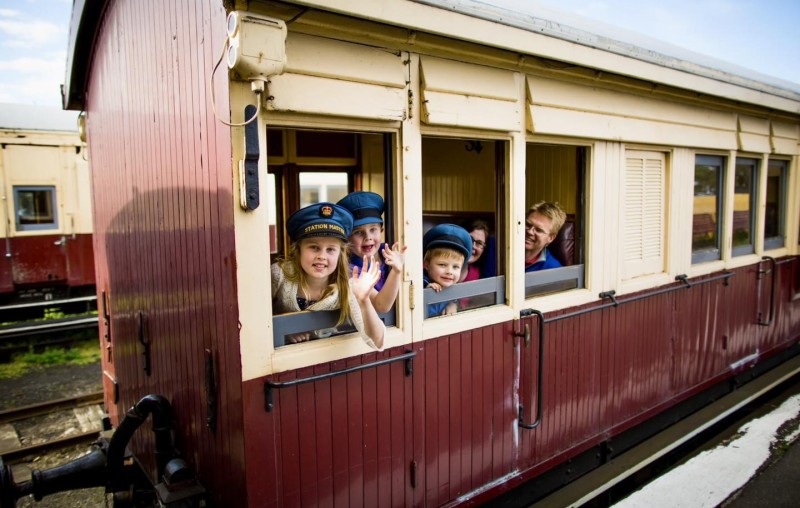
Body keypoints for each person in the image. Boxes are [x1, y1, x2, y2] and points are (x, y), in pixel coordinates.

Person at [271, 202, 385, 350]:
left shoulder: (348, 285)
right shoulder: (279, 275)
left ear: (340, 254)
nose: (322, 256)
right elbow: (254, 320)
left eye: (331, 249)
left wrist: (363, 300)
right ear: (298, 249)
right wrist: (284, 332)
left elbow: (378, 341)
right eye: (314, 248)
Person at [337, 191, 407, 314]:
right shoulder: (350, 270)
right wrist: (396, 271)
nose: (368, 237)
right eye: (358, 232)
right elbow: (381, 306)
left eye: (373, 229)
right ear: (347, 238)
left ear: (381, 230)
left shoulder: (390, 252)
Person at [422, 223, 472, 318]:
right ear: (427, 264)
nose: (449, 271)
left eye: (456, 267)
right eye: (442, 265)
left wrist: (453, 303)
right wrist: (425, 289)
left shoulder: (456, 290)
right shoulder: (417, 282)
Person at [525, 201, 566, 272]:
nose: (529, 232)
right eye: (528, 224)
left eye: (539, 230)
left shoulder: (553, 270)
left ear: (550, 238)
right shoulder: (500, 252)